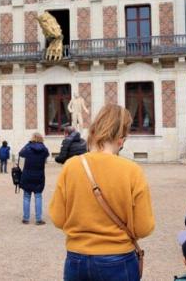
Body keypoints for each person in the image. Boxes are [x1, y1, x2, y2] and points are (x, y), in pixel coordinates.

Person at [49, 104, 154, 280]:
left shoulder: (71, 166)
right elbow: (144, 227)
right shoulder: (132, 170)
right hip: (118, 258)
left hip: (77, 258)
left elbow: (58, 218)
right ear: (121, 139)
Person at [19, 132, 49, 225]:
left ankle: (26, 218)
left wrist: (29, 143)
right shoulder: (44, 149)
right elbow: (47, 155)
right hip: (39, 175)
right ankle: (38, 219)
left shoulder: (28, 148)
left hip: (27, 174)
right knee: (38, 196)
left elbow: (20, 153)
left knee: (26, 196)